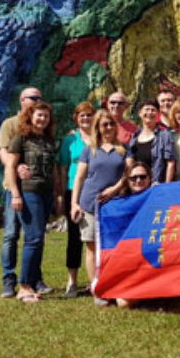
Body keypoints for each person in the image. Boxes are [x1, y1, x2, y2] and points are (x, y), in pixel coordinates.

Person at [0, 86, 52, 298]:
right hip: (17, 189)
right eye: (32, 98)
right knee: (13, 234)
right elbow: (6, 156)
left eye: (39, 98)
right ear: (22, 100)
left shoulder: (45, 136)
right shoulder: (11, 126)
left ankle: (34, 280)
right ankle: (10, 281)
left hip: (40, 190)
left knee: (36, 236)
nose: (36, 100)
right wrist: (17, 169)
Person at [70, 109, 128, 303]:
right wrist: (74, 204)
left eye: (111, 124)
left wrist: (115, 188)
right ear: (98, 128)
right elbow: (79, 177)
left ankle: (115, 284)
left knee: (114, 247)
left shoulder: (123, 149)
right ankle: (97, 287)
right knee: (92, 247)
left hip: (115, 204)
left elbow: (128, 174)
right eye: (104, 124)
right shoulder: (90, 149)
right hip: (90, 204)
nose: (109, 128)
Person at [5, 101, 60, 303]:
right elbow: (10, 167)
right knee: (33, 238)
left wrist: (58, 193)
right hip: (28, 193)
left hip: (45, 193)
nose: (42, 119)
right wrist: (15, 194)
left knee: (39, 239)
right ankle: (24, 286)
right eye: (39, 115)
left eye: (46, 116)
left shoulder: (48, 140)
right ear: (30, 116)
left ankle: (35, 282)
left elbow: (53, 168)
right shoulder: (21, 138)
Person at [95, 162, 154, 309]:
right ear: (126, 181)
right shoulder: (118, 204)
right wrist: (116, 187)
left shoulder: (158, 195)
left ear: (149, 178)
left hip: (151, 262)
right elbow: (96, 201)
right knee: (122, 301)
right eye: (133, 178)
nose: (138, 181)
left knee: (123, 302)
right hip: (129, 263)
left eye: (142, 177)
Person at [58, 101, 94, 298]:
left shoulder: (99, 137)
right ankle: (72, 280)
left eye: (89, 115)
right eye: (82, 115)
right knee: (74, 237)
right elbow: (63, 168)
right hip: (74, 190)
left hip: (95, 191)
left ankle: (94, 280)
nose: (86, 119)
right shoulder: (70, 140)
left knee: (94, 237)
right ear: (76, 118)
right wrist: (63, 192)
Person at [129, 99, 176, 184]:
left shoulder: (165, 135)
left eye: (153, 110)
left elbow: (170, 163)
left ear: (157, 114)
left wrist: (166, 186)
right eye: (146, 109)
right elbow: (131, 163)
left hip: (156, 185)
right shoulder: (134, 137)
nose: (150, 112)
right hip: (138, 185)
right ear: (140, 113)